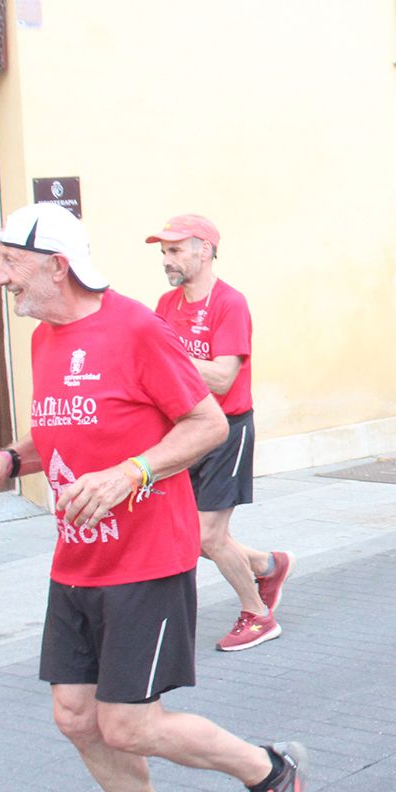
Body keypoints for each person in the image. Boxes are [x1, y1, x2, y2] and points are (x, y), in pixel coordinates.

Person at [0, 203, 306, 792]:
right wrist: (10, 460)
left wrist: (130, 474)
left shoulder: (137, 329)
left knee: (127, 724)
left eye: (9, 262)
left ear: (58, 267)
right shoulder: (46, 339)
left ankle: (269, 771)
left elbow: (208, 424)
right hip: (77, 561)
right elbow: (70, 426)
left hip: (146, 560)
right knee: (75, 717)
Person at [146, 215, 291, 653]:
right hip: (184, 430)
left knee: (206, 536)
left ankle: (259, 615)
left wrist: (167, 359)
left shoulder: (230, 303)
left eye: (174, 250)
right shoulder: (166, 304)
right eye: (164, 252)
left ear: (204, 251)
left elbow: (224, 377)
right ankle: (267, 565)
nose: (166, 260)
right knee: (187, 532)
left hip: (227, 429)